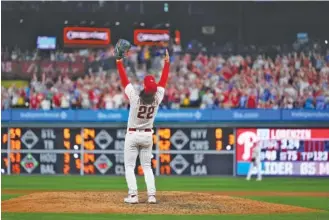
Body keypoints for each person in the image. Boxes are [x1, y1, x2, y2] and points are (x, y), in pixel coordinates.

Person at [115, 39, 170, 204]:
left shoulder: (135, 98)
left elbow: (125, 80)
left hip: (132, 135)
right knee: (147, 167)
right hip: (147, 136)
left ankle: (133, 196)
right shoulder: (158, 98)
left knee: (130, 167)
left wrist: (118, 61)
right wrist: (167, 63)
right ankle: (151, 196)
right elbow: (164, 81)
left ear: (145, 87)